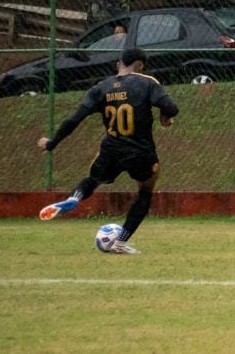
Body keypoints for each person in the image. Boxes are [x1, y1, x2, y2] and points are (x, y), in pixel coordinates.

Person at [37, 46, 177, 254]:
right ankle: (120, 242)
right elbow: (172, 107)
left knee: (93, 179)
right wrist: (165, 115)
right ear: (140, 65)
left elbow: (74, 119)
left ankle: (74, 198)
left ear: (119, 64)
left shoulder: (101, 88)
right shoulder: (147, 82)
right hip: (140, 151)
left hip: (111, 149)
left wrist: (52, 143)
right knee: (145, 192)